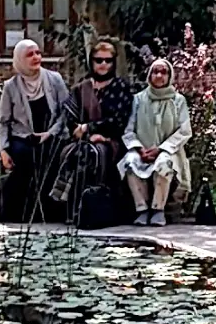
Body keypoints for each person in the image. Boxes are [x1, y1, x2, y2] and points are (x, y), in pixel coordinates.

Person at [50, 41, 133, 212]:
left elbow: (119, 120)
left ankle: (94, 206)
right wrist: (85, 134)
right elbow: (70, 118)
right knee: (70, 153)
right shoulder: (81, 88)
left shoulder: (121, 88)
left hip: (111, 140)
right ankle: (70, 207)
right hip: (82, 139)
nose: (103, 64)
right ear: (91, 61)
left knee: (94, 154)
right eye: (99, 60)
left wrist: (91, 129)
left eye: (108, 60)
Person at [0, 38, 68, 220]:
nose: (36, 57)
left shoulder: (55, 79)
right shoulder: (11, 86)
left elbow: (65, 112)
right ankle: (23, 211)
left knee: (52, 157)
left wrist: (50, 133)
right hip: (23, 137)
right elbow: (3, 121)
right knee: (25, 157)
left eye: (38, 53)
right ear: (20, 59)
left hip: (52, 135)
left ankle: (52, 211)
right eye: (30, 55)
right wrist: (3, 150)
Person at [119, 57, 192, 226]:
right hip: (142, 150)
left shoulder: (178, 100)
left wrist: (161, 149)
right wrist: (139, 149)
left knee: (164, 164)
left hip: (168, 151)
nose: (159, 76)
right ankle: (142, 209)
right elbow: (129, 130)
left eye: (163, 72)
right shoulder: (138, 99)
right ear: (150, 75)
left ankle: (158, 209)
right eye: (155, 72)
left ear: (169, 76)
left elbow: (184, 130)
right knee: (130, 162)